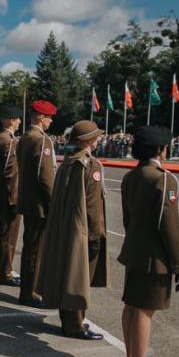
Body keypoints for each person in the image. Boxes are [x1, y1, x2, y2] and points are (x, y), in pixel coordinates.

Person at [118, 126, 179, 357]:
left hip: (135, 250)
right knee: (145, 310)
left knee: (132, 307)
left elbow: (127, 219)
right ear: (160, 149)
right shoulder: (163, 179)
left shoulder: (130, 177)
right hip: (155, 257)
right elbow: (170, 227)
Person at [37, 120, 108, 340]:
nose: (98, 139)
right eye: (95, 136)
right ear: (87, 140)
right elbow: (93, 206)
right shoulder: (90, 165)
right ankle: (75, 324)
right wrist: (96, 234)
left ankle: (68, 319)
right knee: (79, 278)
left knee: (67, 273)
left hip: (65, 226)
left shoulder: (68, 162)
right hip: (82, 230)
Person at [16, 100, 57, 307]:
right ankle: (30, 292)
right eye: (49, 117)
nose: (51, 121)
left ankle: (27, 289)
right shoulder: (42, 141)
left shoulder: (25, 138)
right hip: (40, 204)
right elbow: (46, 177)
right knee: (36, 250)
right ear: (41, 117)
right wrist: (54, 202)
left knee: (31, 248)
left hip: (29, 200)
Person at [0, 106, 22, 285]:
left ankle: (0, 270)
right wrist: (13, 197)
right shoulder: (9, 141)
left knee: (2, 235)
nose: (19, 123)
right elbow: (11, 173)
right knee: (7, 237)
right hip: (8, 195)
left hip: (1, 193)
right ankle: (4, 273)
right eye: (17, 119)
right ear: (10, 120)